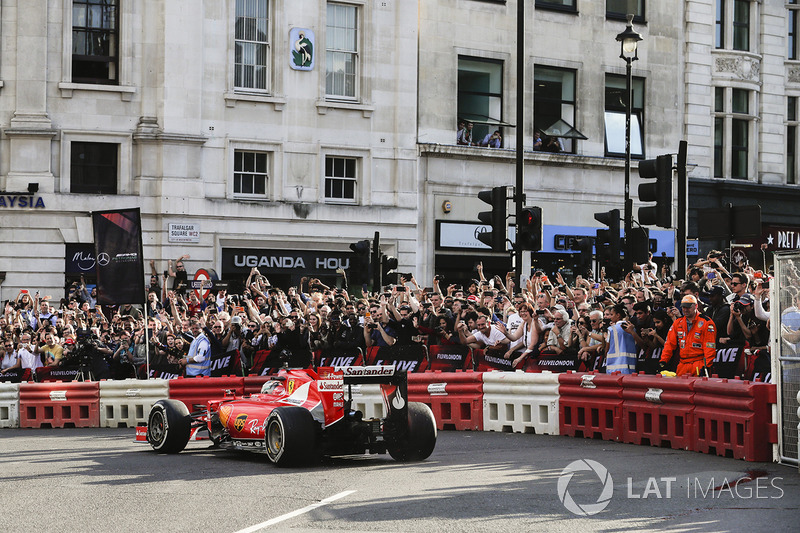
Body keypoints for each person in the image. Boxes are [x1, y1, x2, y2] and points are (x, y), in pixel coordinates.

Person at [659, 295, 716, 376]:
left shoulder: (706, 322)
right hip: (682, 364)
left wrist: (706, 366)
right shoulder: (678, 323)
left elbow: (710, 347)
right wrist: (663, 361)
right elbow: (669, 344)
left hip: (699, 364)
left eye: (688, 307)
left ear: (696, 306)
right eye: (683, 307)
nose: (685, 310)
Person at [604, 303, 637, 374]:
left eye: (612, 314)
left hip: (613, 368)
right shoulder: (632, 328)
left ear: (618, 315)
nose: (610, 317)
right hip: (630, 366)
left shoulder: (611, 329)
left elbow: (607, 348)